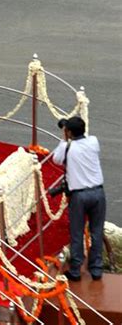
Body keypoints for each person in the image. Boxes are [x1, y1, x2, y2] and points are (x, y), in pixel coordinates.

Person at [52, 116, 105, 281]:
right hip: (98, 193)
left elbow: (56, 159)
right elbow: (84, 137)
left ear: (68, 132)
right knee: (96, 231)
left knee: (76, 233)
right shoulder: (94, 142)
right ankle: (96, 270)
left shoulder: (68, 148)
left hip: (79, 196)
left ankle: (75, 270)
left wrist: (64, 139)